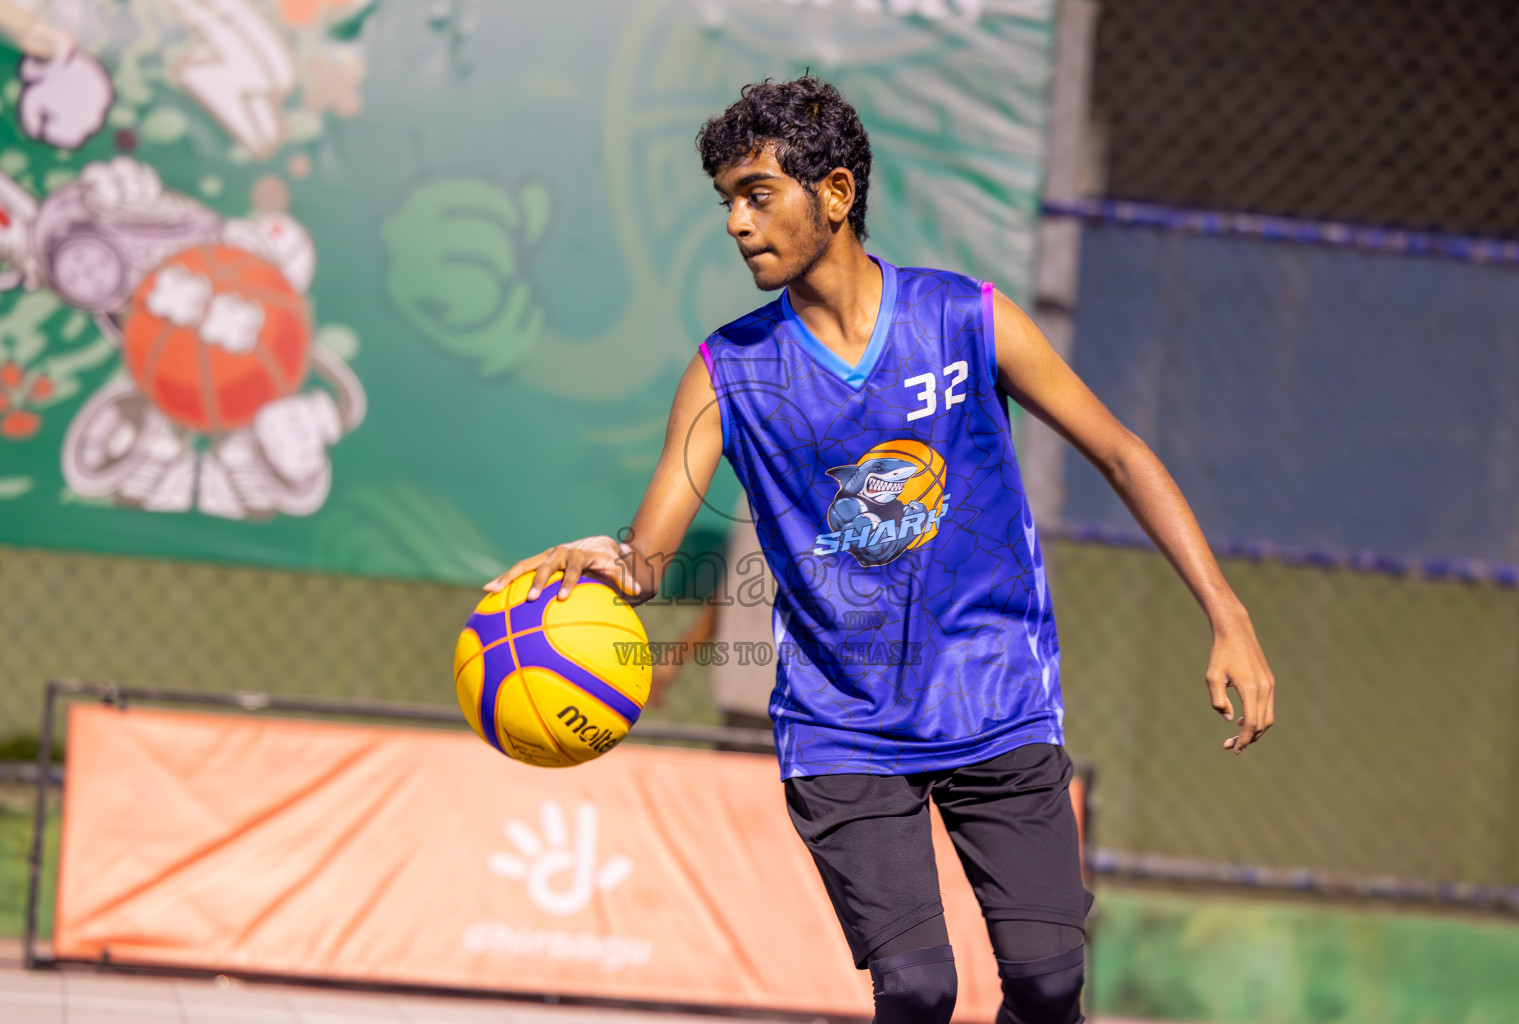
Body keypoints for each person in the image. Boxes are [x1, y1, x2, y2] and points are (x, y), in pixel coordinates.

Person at [486, 76, 1275, 1024]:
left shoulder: (967, 320)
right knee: (918, 989)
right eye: (726, 202)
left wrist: (1226, 612)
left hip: (996, 696)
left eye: (757, 194)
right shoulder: (728, 371)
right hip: (841, 724)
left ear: (836, 193)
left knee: (1048, 983)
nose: (737, 223)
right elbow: (646, 559)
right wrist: (601, 561)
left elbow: (1119, 451)